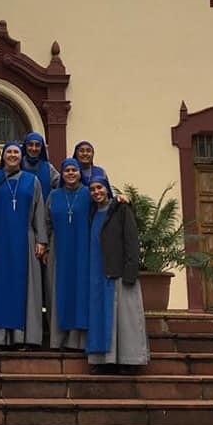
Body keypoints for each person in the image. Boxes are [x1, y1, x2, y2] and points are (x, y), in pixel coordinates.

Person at [0, 141, 47, 348]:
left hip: (25, 241)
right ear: (3, 156)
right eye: (9, 152)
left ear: (21, 156)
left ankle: (21, 338)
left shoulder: (32, 181)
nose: (13, 155)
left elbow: (39, 211)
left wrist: (41, 239)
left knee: (24, 287)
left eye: (17, 152)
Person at [86, 176, 149, 371]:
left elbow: (132, 240)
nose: (97, 192)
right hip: (98, 272)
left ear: (107, 189)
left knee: (125, 319)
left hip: (119, 271)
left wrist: (131, 270)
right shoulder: (92, 213)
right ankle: (104, 361)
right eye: (93, 189)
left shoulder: (121, 209)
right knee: (101, 318)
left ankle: (130, 361)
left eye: (100, 188)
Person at [46, 158, 90, 350]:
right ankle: (59, 340)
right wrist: (45, 246)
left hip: (83, 248)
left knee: (80, 290)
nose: (71, 173)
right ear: (61, 175)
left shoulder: (89, 193)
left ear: (80, 173)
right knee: (59, 290)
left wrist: (122, 199)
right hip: (59, 248)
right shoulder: (54, 195)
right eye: (67, 171)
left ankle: (78, 340)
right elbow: (46, 223)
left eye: (74, 170)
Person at [21, 132, 59, 202]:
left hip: (43, 211)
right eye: (30, 144)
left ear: (42, 148)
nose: (34, 148)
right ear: (25, 146)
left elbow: (62, 185)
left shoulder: (49, 168)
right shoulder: (18, 166)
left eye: (37, 145)